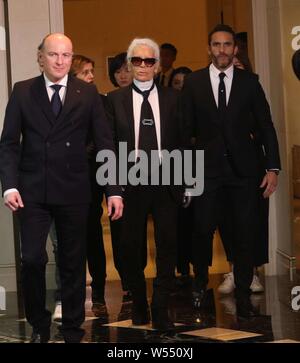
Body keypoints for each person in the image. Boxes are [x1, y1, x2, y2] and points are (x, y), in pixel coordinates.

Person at [0, 33, 123, 343]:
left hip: (74, 188)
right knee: (32, 259)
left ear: (71, 59)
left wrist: (114, 189)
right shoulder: (23, 91)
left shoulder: (87, 92)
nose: (59, 61)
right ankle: (39, 321)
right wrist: (9, 186)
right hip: (32, 191)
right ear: (41, 57)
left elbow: (105, 143)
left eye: (66, 55)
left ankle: (71, 326)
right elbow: (9, 144)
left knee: (71, 259)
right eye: (53, 54)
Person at [181, 24, 281, 318]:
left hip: (244, 172)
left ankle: (243, 290)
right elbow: (185, 131)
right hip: (206, 171)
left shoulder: (250, 82)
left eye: (227, 45)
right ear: (208, 48)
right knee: (201, 231)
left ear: (235, 49)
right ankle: (199, 284)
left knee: (244, 232)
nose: (222, 50)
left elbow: (265, 125)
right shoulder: (195, 83)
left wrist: (272, 167)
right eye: (216, 44)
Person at [106, 38, 184, 331]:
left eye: (148, 61)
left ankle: (160, 305)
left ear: (157, 65)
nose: (142, 66)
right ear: (129, 63)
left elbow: (186, 140)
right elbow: (109, 146)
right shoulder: (114, 100)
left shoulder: (174, 99)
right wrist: (112, 187)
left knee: (168, 246)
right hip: (130, 183)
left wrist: (189, 182)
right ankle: (139, 301)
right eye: (136, 61)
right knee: (129, 247)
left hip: (167, 180)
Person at [217, 53, 267, 294]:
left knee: (251, 223)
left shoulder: (252, 90)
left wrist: (251, 138)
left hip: (250, 167)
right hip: (222, 169)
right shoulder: (218, 95)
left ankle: (252, 272)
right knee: (227, 222)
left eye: (239, 66)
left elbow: (266, 127)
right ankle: (234, 270)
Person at [69, 54, 107, 311]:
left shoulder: (100, 101)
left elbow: (102, 138)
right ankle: (71, 293)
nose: (92, 76)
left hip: (91, 177)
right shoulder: (59, 102)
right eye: (86, 72)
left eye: (92, 71)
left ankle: (100, 294)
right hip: (65, 179)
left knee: (93, 235)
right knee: (70, 238)